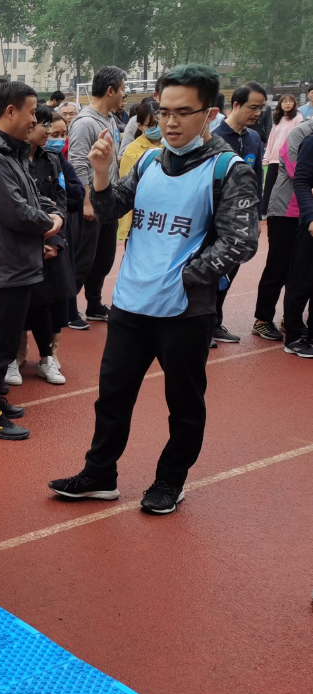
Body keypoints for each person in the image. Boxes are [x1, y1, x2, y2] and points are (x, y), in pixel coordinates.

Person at [49, 64, 259, 514]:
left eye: (183, 112)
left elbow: (241, 241)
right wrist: (101, 175)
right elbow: (108, 210)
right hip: (130, 305)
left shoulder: (228, 169)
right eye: (164, 111)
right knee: (112, 398)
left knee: (183, 405)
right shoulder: (147, 159)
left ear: (210, 113)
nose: (170, 122)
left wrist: (185, 275)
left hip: (185, 311)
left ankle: (170, 480)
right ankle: (99, 474)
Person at [0, 82, 62, 441]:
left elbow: (38, 200)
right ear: (10, 112)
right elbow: (17, 212)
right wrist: (50, 224)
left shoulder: (11, 155)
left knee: (3, 342)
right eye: (31, 112)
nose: (37, 120)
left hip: (17, 263)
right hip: (6, 266)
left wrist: (52, 216)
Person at [22, 105, 79, 386]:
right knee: (17, 304)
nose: (47, 131)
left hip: (50, 242)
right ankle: (13, 356)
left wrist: (54, 240)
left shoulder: (53, 159)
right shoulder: (10, 158)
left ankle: (47, 357)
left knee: (47, 302)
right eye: (43, 124)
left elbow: (62, 200)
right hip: (20, 246)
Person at [67, 66, 126, 328]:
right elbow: (78, 163)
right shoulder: (84, 123)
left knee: (103, 258)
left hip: (107, 199)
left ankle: (94, 303)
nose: (124, 95)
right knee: (83, 259)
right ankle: (68, 309)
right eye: (122, 89)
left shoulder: (110, 120)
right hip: (90, 203)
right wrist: (87, 200)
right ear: (110, 90)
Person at [211, 82, 266, 346]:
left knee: (229, 271)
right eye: (253, 107)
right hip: (214, 220)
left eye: (260, 108)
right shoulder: (214, 136)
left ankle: (215, 323)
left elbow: (258, 178)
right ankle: (201, 326)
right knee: (209, 271)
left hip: (241, 221)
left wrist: (256, 215)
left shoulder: (254, 138)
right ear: (235, 104)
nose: (257, 113)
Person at [255, 105, 310, 342]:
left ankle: (291, 318)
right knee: (279, 266)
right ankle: (262, 320)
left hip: (307, 212)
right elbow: (296, 169)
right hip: (287, 209)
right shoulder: (302, 131)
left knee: (302, 270)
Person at [283, 124, 313, 357]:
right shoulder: (310, 142)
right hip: (311, 224)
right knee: (302, 281)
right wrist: (310, 217)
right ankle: (293, 336)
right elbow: (302, 182)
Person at [117, 101, 162, 243]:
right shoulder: (132, 152)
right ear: (140, 126)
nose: (157, 128)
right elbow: (126, 192)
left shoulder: (173, 146)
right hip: (141, 220)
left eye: (160, 123)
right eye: (152, 125)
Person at [262, 95, 302, 218]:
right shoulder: (278, 119)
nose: (288, 104)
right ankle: (264, 212)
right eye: (284, 102)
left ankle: (281, 212)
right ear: (280, 104)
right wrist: (266, 157)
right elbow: (271, 138)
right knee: (269, 185)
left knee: (284, 188)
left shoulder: (298, 118)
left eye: (290, 101)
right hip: (274, 159)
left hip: (287, 159)